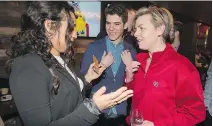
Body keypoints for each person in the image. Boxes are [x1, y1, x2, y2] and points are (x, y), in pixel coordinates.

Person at [5, 2, 133, 126]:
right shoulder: (28, 66)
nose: (75, 34)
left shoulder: (56, 57)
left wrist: (88, 78)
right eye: (70, 28)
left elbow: (67, 94)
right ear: (49, 26)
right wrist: (93, 108)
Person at [122, 6, 206, 126]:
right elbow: (135, 97)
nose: (135, 34)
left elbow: (195, 113)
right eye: (135, 29)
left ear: (160, 29)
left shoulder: (182, 67)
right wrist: (129, 77)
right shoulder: (140, 62)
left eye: (141, 28)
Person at [80, 4, 136, 126]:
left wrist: (129, 70)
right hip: (97, 115)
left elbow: (134, 87)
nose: (111, 28)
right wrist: (101, 66)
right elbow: (82, 83)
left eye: (116, 24)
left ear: (125, 25)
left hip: (121, 115)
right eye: (108, 23)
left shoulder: (131, 51)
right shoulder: (94, 48)